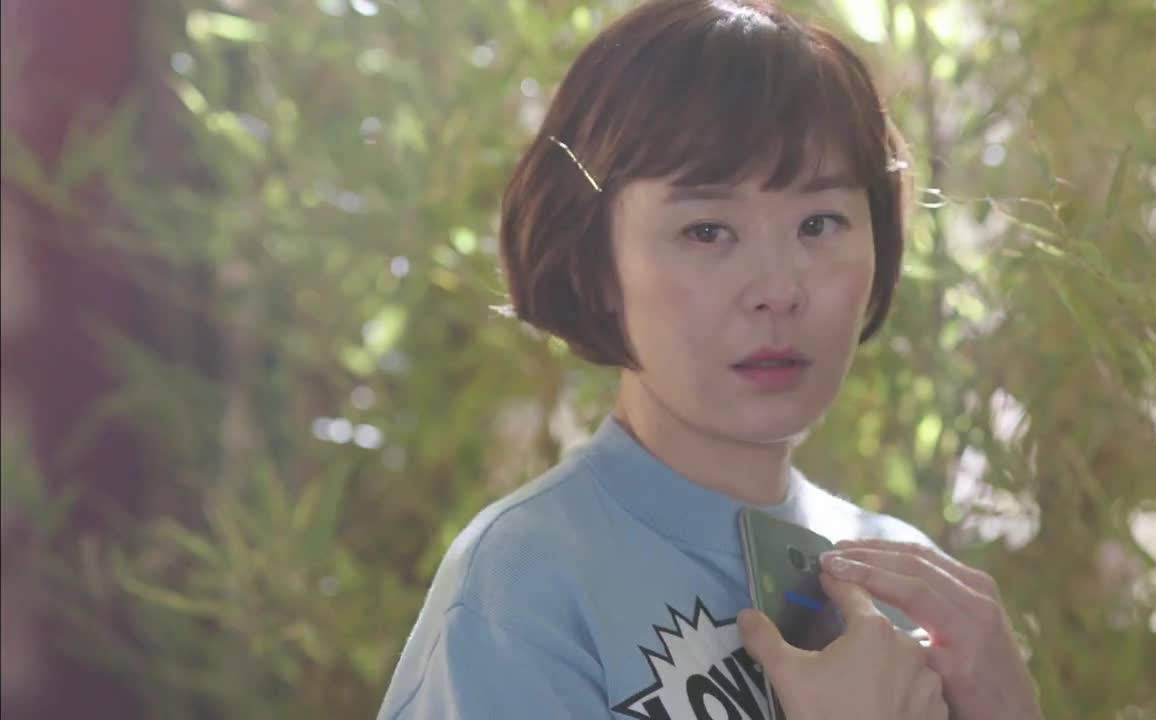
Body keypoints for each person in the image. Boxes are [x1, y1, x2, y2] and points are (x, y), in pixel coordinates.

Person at [378, 1, 1043, 718]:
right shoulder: (522, 587)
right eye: (706, 231)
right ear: (596, 265)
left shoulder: (912, 590)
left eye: (819, 223)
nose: (778, 290)